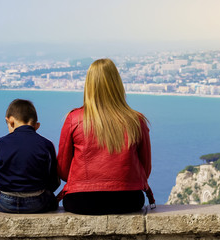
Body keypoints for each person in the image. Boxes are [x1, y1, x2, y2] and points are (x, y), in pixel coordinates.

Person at [57, 58, 153, 215]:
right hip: (128, 200)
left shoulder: (74, 119)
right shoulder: (136, 120)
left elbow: (62, 170)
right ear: (117, 84)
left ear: (88, 85)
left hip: (80, 201)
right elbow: (145, 169)